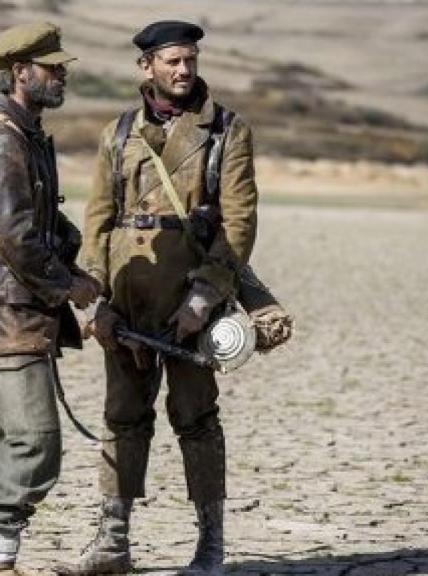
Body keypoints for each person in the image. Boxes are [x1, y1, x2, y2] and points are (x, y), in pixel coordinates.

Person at [54, 20, 259, 576]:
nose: (183, 69)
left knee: (196, 419)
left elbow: (237, 226)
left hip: (191, 302)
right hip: (125, 299)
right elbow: (97, 222)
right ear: (146, 67)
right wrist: (95, 298)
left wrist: (203, 300)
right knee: (123, 418)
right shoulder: (118, 132)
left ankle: (210, 547)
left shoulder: (226, 132)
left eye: (189, 59)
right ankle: (111, 544)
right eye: (171, 60)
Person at [0, 21, 102, 576]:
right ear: (21, 73)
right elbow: (15, 238)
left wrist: (71, 256)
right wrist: (70, 286)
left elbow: (35, 224)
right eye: (52, 67)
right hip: (7, 315)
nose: (61, 75)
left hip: (0, 313)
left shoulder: (22, 134)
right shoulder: (1, 141)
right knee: (36, 443)